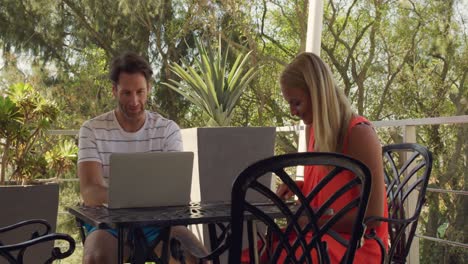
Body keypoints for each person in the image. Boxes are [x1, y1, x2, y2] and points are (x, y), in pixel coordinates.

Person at [77, 51, 209, 264]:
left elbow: (175, 191)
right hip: (108, 224)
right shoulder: (92, 129)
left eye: (140, 91)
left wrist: (126, 196)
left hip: (159, 224)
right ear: (114, 91)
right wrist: (140, 196)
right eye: (126, 93)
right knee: (96, 257)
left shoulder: (167, 130)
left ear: (149, 89)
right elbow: (90, 193)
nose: (135, 101)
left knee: (197, 257)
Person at [275, 52, 389, 263]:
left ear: (317, 94)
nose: (292, 112)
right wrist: (299, 186)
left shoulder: (359, 133)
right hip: (317, 237)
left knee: (276, 256)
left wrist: (310, 220)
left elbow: (372, 217)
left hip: (357, 246)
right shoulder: (313, 131)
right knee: (251, 247)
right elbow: (331, 189)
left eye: (296, 103)